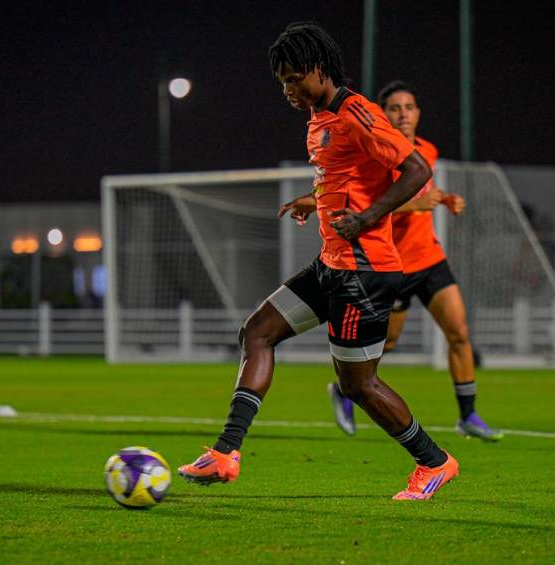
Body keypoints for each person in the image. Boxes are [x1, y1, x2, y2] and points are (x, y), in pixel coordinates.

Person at [178, 22, 458, 501]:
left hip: (365, 274)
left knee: (359, 386)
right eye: (282, 82)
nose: (287, 90)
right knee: (257, 332)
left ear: (321, 69)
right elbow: (348, 178)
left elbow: (417, 169)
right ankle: (225, 453)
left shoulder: (358, 114)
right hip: (332, 265)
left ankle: (435, 462)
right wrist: (316, 200)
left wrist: (367, 217)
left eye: (294, 79)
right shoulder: (319, 117)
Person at [328, 80, 503, 441]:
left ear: (418, 113)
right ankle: (345, 389)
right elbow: (366, 208)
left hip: (431, 260)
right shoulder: (378, 155)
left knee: (459, 333)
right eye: (395, 108)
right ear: (383, 114)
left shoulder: (427, 150)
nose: (403, 114)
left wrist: (445, 199)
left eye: (409, 107)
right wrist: (415, 204)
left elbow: (424, 190)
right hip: (394, 266)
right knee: (386, 344)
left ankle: (469, 416)